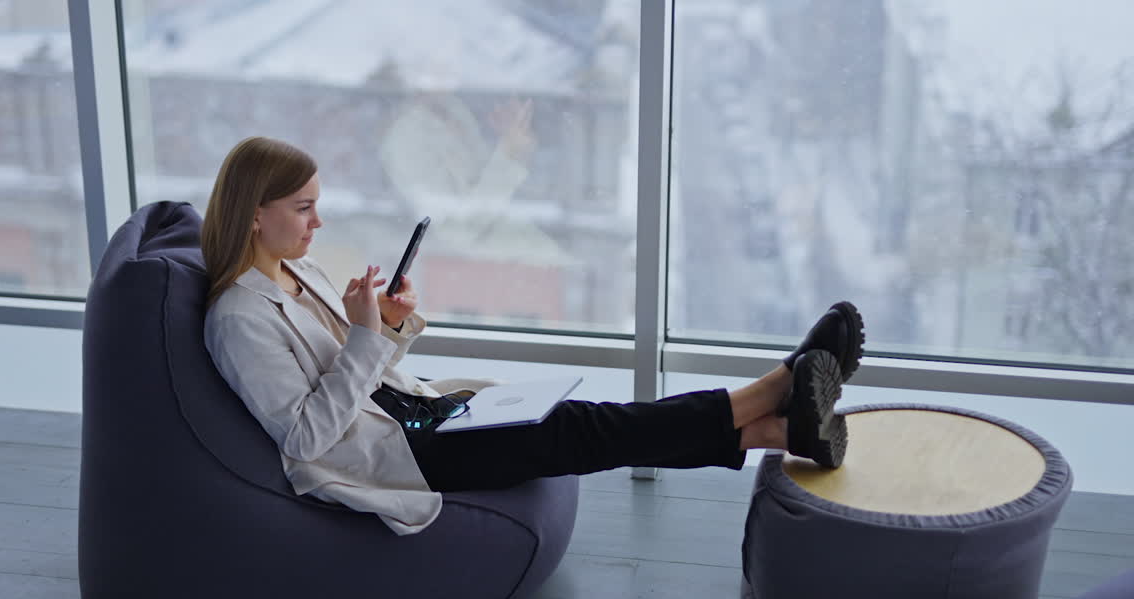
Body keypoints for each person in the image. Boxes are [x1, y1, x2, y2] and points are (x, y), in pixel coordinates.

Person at [202, 136, 864, 536]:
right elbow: (306, 437)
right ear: (256, 215)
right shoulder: (237, 318)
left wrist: (391, 325)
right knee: (580, 429)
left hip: (421, 415)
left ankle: (779, 432)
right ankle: (774, 390)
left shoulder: (300, 270)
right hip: (400, 457)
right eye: (303, 208)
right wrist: (364, 339)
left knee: (567, 419)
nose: (318, 222)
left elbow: (365, 371)